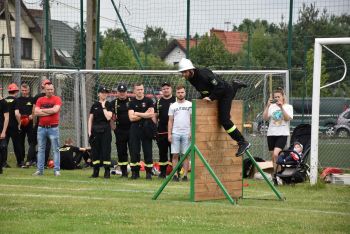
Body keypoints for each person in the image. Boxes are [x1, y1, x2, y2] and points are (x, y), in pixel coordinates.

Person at [178, 58, 250, 157]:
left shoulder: (204, 74)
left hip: (224, 92)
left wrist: (211, 97)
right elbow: (204, 90)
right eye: (182, 72)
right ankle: (235, 85)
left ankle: (242, 142)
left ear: (191, 70)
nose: (183, 74)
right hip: (216, 93)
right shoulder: (191, 78)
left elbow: (220, 86)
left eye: (184, 72)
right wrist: (202, 99)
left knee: (224, 120)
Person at [262, 88, 293, 184]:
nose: (277, 98)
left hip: (282, 134)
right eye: (275, 97)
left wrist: (281, 107)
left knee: (276, 154)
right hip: (271, 134)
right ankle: (276, 176)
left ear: (283, 97)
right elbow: (265, 118)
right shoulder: (271, 107)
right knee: (274, 157)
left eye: (278, 97)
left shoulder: (288, 107)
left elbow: (287, 119)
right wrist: (267, 106)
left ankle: (279, 175)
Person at [33, 82, 62, 176]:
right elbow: (36, 113)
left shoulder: (57, 99)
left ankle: (56, 170)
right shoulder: (40, 99)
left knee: (55, 149)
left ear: (53, 90)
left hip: (53, 128)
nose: (50, 91)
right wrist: (49, 112)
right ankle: (39, 170)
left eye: (51, 89)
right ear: (44, 90)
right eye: (48, 89)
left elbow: (55, 110)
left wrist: (42, 111)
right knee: (41, 149)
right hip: (41, 128)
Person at [128, 83, 155, 180]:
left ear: (144, 90)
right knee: (134, 150)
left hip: (147, 128)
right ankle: (135, 172)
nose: (140, 91)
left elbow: (151, 115)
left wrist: (138, 113)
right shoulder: (131, 102)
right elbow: (131, 118)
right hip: (135, 129)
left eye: (141, 89)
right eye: (138, 89)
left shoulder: (149, 101)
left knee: (148, 150)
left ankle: (148, 173)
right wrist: (144, 114)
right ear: (134, 91)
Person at [168, 85, 192, 181]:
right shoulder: (173, 106)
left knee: (185, 155)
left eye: (182, 92)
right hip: (175, 133)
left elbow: (192, 120)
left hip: (186, 133)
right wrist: (170, 134)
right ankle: (175, 175)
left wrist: (191, 131)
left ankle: (185, 175)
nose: (180, 94)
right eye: (178, 92)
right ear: (176, 93)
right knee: (175, 155)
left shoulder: (190, 104)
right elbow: (170, 121)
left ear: (185, 93)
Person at [88, 87, 113, 178]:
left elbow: (108, 117)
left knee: (106, 151)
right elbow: (90, 119)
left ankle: (107, 171)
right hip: (95, 131)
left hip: (105, 131)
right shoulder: (94, 105)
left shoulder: (109, 104)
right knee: (95, 152)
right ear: (98, 94)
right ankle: (96, 171)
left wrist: (103, 106)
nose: (104, 94)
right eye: (102, 93)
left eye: (106, 93)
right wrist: (89, 132)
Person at [154, 82, 176, 179]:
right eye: (164, 89)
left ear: (171, 89)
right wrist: (155, 127)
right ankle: (162, 173)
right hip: (162, 132)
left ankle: (174, 173)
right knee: (162, 153)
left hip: (174, 132)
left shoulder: (176, 100)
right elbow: (155, 116)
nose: (166, 90)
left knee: (174, 153)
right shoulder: (158, 102)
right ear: (161, 90)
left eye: (167, 88)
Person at [110, 84, 131, 177]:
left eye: (124, 92)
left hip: (131, 130)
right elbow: (110, 118)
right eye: (120, 92)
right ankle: (124, 172)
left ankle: (135, 172)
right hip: (120, 131)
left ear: (126, 92)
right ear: (117, 92)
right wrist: (114, 129)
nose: (122, 93)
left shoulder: (132, 101)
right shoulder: (113, 103)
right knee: (121, 151)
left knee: (134, 151)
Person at [15, 83, 36, 168]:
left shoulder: (32, 99)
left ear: (29, 90)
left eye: (25, 90)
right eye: (22, 90)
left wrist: (32, 116)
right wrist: (20, 120)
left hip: (30, 124)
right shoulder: (18, 100)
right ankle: (21, 161)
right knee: (20, 142)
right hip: (21, 123)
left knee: (31, 141)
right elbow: (16, 111)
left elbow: (34, 110)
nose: (24, 92)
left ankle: (30, 159)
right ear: (20, 90)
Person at [32, 79, 52, 166]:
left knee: (45, 144)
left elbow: (56, 110)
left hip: (50, 124)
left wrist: (42, 112)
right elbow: (35, 111)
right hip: (40, 124)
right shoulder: (38, 98)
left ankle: (38, 161)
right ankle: (39, 162)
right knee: (40, 144)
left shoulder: (54, 98)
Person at [4, 83, 22, 167]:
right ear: (16, 91)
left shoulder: (3, 100)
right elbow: (17, 113)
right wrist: (19, 123)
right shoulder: (16, 100)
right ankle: (19, 162)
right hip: (14, 126)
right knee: (17, 144)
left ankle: (3, 162)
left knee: (4, 144)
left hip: (5, 126)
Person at [0, 94, 9, 174]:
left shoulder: (3, 103)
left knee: (2, 147)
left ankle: (1, 166)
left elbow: (6, 118)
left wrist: (3, 131)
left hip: (1, 129)